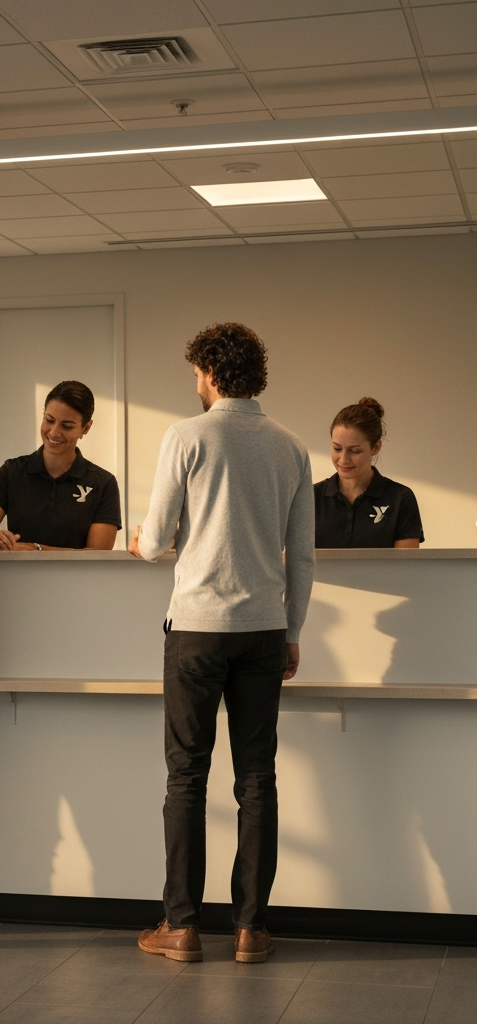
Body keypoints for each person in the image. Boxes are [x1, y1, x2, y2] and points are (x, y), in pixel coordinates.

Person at [130, 323, 314, 965]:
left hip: (198, 630)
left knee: (186, 778)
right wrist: (293, 632)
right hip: (263, 629)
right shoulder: (291, 447)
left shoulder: (187, 435)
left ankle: (180, 927)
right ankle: (251, 930)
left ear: (209, 373)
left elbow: (154, 541)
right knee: (256, 778)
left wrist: (138, 542)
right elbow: (303, 557)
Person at [0, 380, 122, 551]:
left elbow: (97, 555)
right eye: (49, 420)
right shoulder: (12, 472)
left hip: (76, 579)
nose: (54, 432)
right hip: (16, 577)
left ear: (86, 428)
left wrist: (34, 549)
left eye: (67, 426)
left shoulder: (103, 483)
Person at [315, 397, 423, 548]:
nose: (343, 459)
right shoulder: (311, 497)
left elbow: (406, 568)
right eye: (337, 448)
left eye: (355, 450)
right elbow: (296, 561)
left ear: (375, 447)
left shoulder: (400, 498)